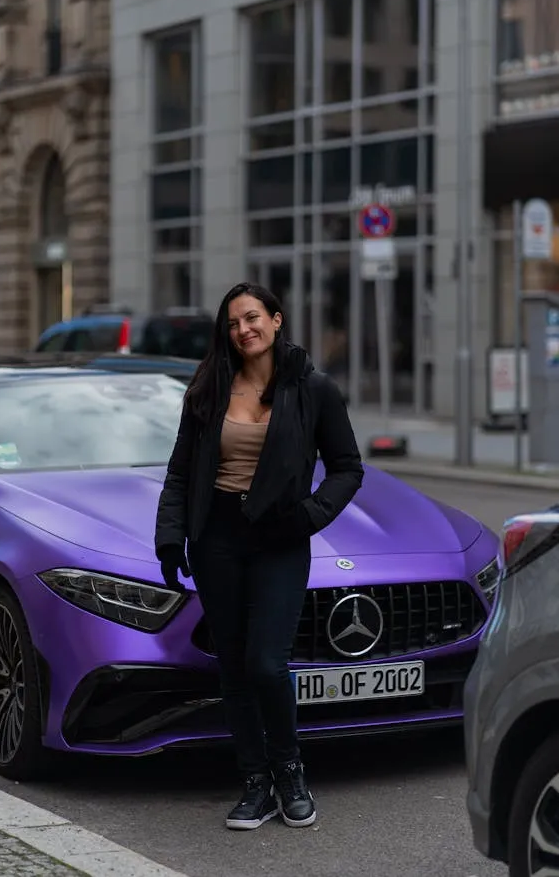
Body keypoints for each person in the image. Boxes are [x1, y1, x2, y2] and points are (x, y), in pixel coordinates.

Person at [154, 283, 364, 831]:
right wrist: (170, 537)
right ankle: (255, 783)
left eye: (252, 318)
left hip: (280, 539)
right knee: (234, 665)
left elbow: (348, 467)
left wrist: (312, 515)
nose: (243, 330)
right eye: (232, 323)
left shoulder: (313, 389)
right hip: (215, 539)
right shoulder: (208, 388)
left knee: (267, 663)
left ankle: (290, 771)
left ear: (275, 320)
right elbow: (180, 472)